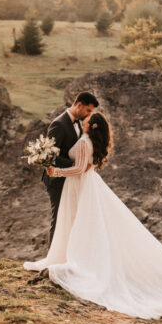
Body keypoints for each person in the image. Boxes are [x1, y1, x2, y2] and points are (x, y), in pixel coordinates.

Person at [26, 112, 162, 320]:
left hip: (80, 184)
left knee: (81, 223)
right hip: (84, 185)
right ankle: (73, 256)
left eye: (87, 120)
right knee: (82, 223)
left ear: (89, 125)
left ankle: (80, 262)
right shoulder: (90, 141)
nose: (83, 120)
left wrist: (56, 171)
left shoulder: (85, 142)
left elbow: (80, 169)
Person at [42, 91, 98, 244]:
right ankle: (53, 256)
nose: (89, 114)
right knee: (59, 219)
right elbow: (50, 155)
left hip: (71, 178)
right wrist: (76, 166)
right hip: (56, 180)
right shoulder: (59, 124)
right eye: (88, 110)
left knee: (71, 219)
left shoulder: (79, 123)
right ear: (79, 105)